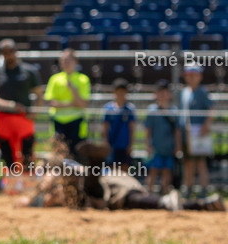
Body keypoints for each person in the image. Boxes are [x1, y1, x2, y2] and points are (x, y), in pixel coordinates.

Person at [16, 141, 223, 212]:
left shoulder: (53, 176)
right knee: (131, 197)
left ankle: (95, 164)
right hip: (110, 181)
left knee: (106, 193)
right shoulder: (53, 180)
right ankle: (204, 204)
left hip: (102, 187)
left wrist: (37, 196)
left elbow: (44, 193)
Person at [0, 39, 42, 171]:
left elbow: (39, 94)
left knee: (27, 154)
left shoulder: (29, 71)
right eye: (5, 52)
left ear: (16, 52)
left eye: (10, 51)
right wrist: (9, 105)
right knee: (7, 155)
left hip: (24, 118)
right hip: (4, 118)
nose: (8, 55)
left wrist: (35, 112)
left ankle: (28, 184)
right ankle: (11, 185)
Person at [43, 49, 91, 159]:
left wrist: (73, 89)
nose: (65, 63)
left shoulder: (83, 79)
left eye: (68, 60)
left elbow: (83, 104)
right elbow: (51, 102)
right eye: (63, 61)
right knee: (59, 156)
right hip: (58, 123)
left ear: (75, 62)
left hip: (76, 122)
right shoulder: (54, 79)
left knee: (76, 156)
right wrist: (72, 104)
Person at [179, 65, 214, 197]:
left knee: (200, 163)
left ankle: (204, 190)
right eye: (189, 74)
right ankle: (188, 189)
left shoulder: (202, 92)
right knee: (188, 163)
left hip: (199, 132)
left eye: (194, 74)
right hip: (187, 132)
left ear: (200, 76)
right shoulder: (184, 92)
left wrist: (206, 126)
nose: (192, 77)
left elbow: (211, 110)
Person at [144, 81, 179, 195]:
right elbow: (148, 130)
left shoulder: (174, 111)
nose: (163, 95)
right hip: (156, 148)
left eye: (165, 92)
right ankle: (148, 194)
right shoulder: (152, 110)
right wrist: (148, 145)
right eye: (160, 92)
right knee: (153, 171)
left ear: (170, 94)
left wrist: (178, 146)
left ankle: (165, 194)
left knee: (167, 172)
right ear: (156, 94)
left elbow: (177, 131)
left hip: (169, 147)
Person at [103, 78, 136, 168]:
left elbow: (132, 128)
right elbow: (105, 127)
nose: (121, 94)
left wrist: (131, 145)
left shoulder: (130, 109)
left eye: (123, 91)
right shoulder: (108, 108)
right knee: (112, 169)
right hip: (112, 144)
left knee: (125, 169)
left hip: (125, 145)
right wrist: (106, 143)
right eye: (118, 91)